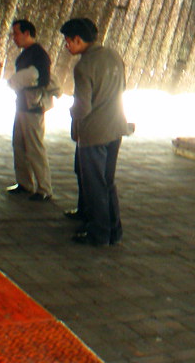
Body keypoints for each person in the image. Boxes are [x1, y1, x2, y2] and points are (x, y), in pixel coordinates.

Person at [60, 17, 127, 246]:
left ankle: (98, 234)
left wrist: (71, 112)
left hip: (94, 133)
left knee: (95, 184)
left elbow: (83, 107)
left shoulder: (84, 66)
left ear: (78, 40)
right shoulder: (114, 56)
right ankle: (113, 231)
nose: (66, 46)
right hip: (116, 128)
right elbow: (122, 88)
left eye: (67, 41)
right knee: (107, 182)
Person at [6, 19, 54, 202]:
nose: (14, 37)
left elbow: (43, 80)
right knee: (18, 145)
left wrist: (21, 81)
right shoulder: (26, 54)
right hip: (22, 105)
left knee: (35, 148)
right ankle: (24, 183)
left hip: (33, 107)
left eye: (16, 33)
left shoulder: (39, 55)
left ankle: (44, 188)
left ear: (27, 33)